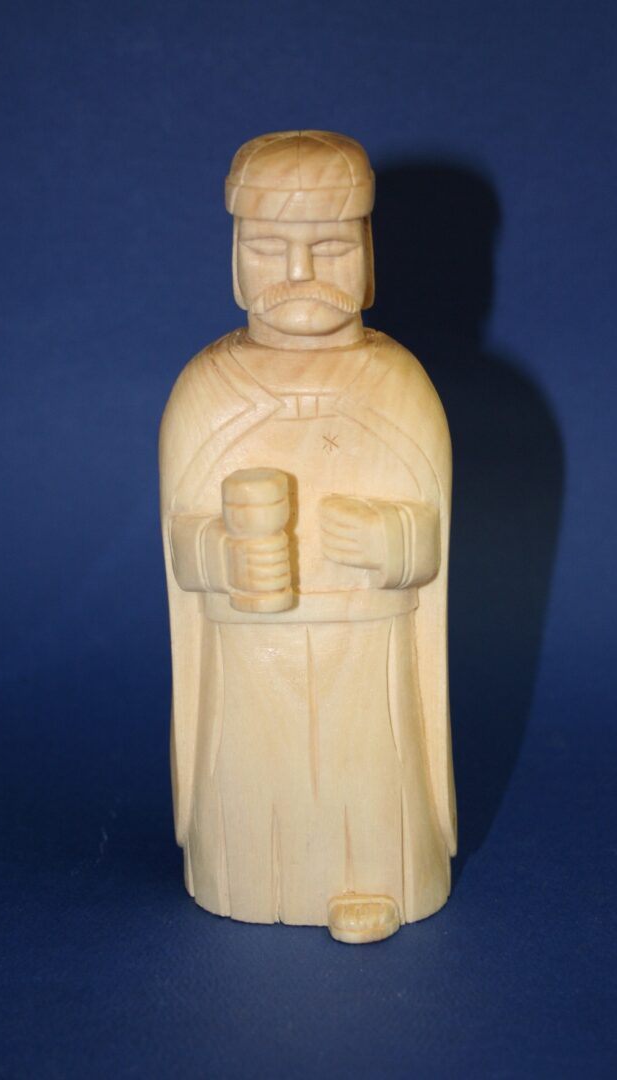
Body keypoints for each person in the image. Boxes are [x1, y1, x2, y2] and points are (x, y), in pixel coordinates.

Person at [159, 131, 456, 943]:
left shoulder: (398, 387)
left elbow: (431, 541)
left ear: (367, 255)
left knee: (366, 768)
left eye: (328, 247)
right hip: (248, 652)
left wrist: (391, 540)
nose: (298, 273)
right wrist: (225, 554)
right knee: (256, 775)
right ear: (234, 258)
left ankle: (372, 877)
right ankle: (244, 874)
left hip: (366, 649)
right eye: (267, 248)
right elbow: (181, 547)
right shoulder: (206, 393)